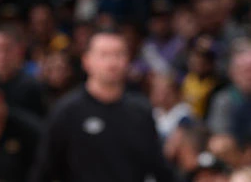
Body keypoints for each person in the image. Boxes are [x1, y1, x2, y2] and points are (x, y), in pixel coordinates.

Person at [31, 28, 173, 182]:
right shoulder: (67, 112)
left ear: (128, 59)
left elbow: (159, 167)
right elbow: (44, 170)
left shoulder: (141, 111)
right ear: (86, 61)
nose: (112, 62)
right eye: (104, 55)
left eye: (119, 54)